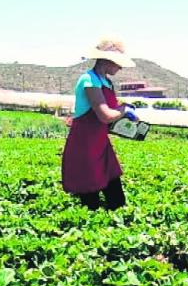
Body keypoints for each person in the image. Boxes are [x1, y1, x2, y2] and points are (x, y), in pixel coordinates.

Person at [60, 38, 140, 210]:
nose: (120, 67)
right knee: (91, 204)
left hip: (101, 144)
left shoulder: (107, 83)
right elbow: (105, 115)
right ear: (107, 60)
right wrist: (123, 110)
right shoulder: (89, 80)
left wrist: (126, 117)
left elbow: (112, 114)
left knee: (117, 201)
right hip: (84, 145)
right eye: (119, 63)